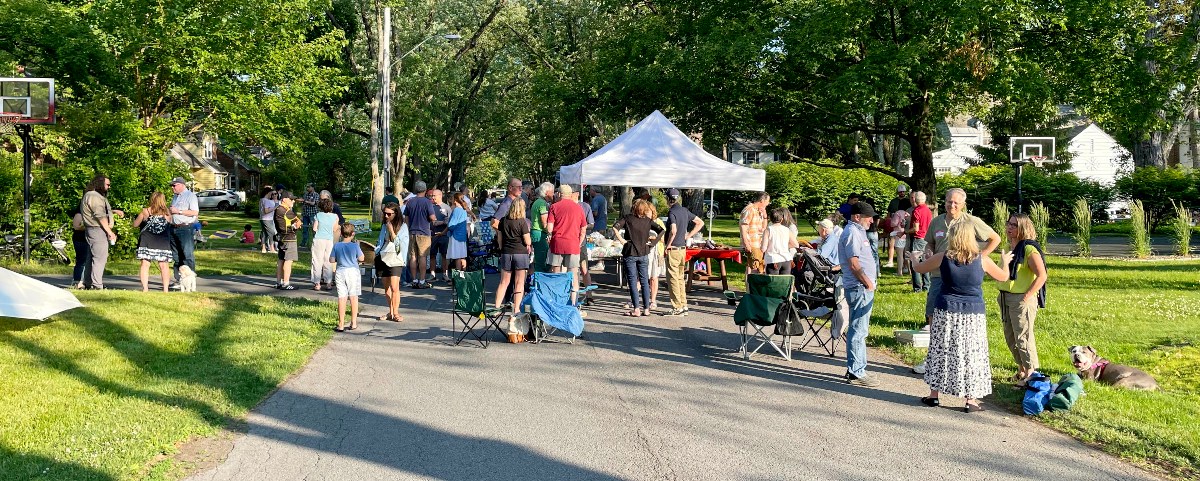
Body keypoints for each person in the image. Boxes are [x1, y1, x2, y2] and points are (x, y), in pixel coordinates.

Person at [909, 223, 1011, 412]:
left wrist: (915, 258)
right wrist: (1005, 261)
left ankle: (934, 395)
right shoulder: (982, 260)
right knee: (971, 353)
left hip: (946, 309)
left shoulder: (944, 257)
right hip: (973, 313)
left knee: (941, 349)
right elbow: (1003, 277)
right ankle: (970, 400)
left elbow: (920, 269)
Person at [912, 188, 1001, 375]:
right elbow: (929, 242)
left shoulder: (970, 221)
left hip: (962, 278)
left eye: (956, 203)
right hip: (938, 274)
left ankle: (960, 365)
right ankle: (933, 360)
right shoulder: (937, 221)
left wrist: (980, 259)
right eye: (949, 202)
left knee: (963, 325)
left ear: (963, 204)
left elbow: (995, 238)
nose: (951, 205)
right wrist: (929, 251)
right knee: (933, 316)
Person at [997, 213, 1049, 387]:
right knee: (1010, 336)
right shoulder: (1008, 246)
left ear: (1023, 228)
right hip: (1004, 296)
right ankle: (1021, 370)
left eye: (1014, 225)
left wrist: (1027, 296)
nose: (1009, 228)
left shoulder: (1028, 249)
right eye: (1009, 224)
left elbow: (1042, 275)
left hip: (1021, 298)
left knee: (1023, 337)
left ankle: (1031, 373)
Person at [840, 202, 880, 387]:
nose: (872, 221)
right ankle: (856, 372)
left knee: (860, 329)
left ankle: (856, 369)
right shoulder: (852, 233)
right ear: (857, 217)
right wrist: (867, 282)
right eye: (869, 217)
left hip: (861, 287)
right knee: (859, 329)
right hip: (859, 287)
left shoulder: (858, 231)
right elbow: (854, 263)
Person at [613, 199, 663, 317]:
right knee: (645, 281)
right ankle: (646, 309)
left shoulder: (627, 218)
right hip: (644, 252)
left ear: (634, 208)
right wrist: (653, 243)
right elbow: (661, 230)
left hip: (630, 252)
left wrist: (622, 241)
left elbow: (615, 227)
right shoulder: (648, 221)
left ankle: (636, 309)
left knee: (633, 281)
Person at [545, 184, 588, 305]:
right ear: (570, 195)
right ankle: (573, 302)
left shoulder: (554, 207)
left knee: (556, 273)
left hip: (557, 244)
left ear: (559, 194)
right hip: (573, 244)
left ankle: (557, 301)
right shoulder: (578, 208)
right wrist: (579, 242)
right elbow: (583, 228)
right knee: (573, 274)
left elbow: (549, 228)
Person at [662, 189, 703, 316]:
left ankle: (677, 307)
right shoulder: (684, 210)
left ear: (668, 199)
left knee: (673, 279)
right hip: (682, 249)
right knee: (680, 278)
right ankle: (683, 305)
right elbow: (700, 222)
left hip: (673, 249)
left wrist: (667, 246)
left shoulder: (672, 212)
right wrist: (688, 236)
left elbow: (673, 230)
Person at [79, 175, 117, 290]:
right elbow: (100, 216)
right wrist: (110, 232)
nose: (109, 187)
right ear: (100, 184)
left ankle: (88, 282)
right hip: (97, 229)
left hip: (94, 229)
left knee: (92, 257)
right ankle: (97, 285)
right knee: (100, 257)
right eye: (107, 184)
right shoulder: (93, 196)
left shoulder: (93, 195)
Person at [131, 192, 174, 292]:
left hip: (146, 241)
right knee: (164, 265)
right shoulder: (167, 213)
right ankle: (165, 289)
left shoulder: (145, 211)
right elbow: (170, 224)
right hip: (162, 241)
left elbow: (135, 224)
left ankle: (145, 289)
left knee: (145, 265)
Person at [494, 198, 531, 309]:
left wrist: (502, 249)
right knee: (519, 283)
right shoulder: (522, 222)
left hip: (506, 252)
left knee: (503, 282)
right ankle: (516, 309)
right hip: (520, 253)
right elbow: (527, 241)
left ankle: (496, 307)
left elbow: (499, 239)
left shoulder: (503, 221)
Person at [375, 202, 409, 322]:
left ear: (396, 213)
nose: (386, 216)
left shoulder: (403, 227)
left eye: (389, 214)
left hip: (396, 259)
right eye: (384, 213)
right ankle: (390, 312)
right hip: (384, 258)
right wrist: (376, 250)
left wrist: (392, 232)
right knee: (387, 288)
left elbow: (400, 247)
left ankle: (396, 312)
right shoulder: (384, 225)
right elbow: (380, 242)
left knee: (395, 287)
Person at [816, 218, 848, 340]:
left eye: (819, 229)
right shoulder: (831, 238)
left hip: (830, 271)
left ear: (824, 230)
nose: (819, 231)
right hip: (832, 270)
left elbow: (821, 255)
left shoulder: (830, 239)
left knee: (805, 274)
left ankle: (805, 301)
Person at [330, 223, 365, 332]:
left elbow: (331, 260)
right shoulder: (355, 246)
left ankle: (340, 324)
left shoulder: (337, 245)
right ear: (353, 234)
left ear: (341, 233)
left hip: (340, 271)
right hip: (353, 271)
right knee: (353, 297)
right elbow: (361, 258)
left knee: (342, 297)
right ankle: (353, 322)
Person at [404, 181, 438, 289]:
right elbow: (432, 217)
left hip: (412, 232)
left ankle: (414, 280)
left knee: (413, 257)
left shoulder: (410, 202)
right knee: (422, 256)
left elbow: (406, 217)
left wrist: (409, 228)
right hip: (424, 232)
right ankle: (422, 281)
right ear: (425, 189)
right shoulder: (427, 202)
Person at [168, 177, 199, 287]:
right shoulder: (175, 197)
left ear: (182, 185)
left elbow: (195, 212)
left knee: (187, 254)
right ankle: (179, 279)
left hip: (185, 228)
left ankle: (190, 279)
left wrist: (179, 211)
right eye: (172, 186)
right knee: (176, 255)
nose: (172, 188)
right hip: (173, 227)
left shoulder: (190, 196)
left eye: (174, 185)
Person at [273, 191, 301, 289]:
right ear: (284, 199)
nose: (293, 201)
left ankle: (278, 282)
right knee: (288, 260)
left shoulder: (277, 209)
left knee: (281, 260)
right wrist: (295, 227)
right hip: (290, 238)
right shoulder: (287, 211)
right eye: (291, 199)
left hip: (281, 237)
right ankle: (286, 283)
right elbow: (298, 222)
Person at [906, 191, 933, 292]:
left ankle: (917, 288)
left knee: (915, 262)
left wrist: (905, 231)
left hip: (918, 238)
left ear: (916, 199)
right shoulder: (928, 210)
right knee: (925, 262)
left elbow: (915, 229)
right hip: (926, 238)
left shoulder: (916, 211)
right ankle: (927, 286)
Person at [310, 198, 339, 291]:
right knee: (328, 261)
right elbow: (334, 229)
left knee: (317, 261)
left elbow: (314, 228)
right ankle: (329, 283)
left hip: (318, 239)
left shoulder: (318, 215)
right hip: (329, 240)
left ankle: (317, 283)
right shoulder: (335, 216)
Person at [761, 208, 799, 275]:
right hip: (786, 260)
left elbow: (763, 248)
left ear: (770, 219)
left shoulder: (768, 230)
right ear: (781, 219)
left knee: (773, 283)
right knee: (784, 282)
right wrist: (784, 245)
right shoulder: (787, 229)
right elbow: (796, 244)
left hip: (773, 260)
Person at [739, 192, 770, 274]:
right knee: (753, 267)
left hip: (759, 243)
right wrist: (746, 243)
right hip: (752, 243)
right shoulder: (749, 209)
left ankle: (753, 285)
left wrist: (765, 216)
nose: (768, 204)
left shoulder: (759, 211)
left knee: (758, 267)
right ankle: (751, 286)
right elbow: (743, 226)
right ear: (762, 200)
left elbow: (764, 228)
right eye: (767, 201)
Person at [446, 192, 474, 272]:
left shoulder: (456, 210)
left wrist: (447, 227)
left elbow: (451, 225)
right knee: (462, 256)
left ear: (454, 200)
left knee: (457, 257)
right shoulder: (463, 209)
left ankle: (458, 277)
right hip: (462, 235)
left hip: (455, 235)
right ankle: (463, 275)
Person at [529, 182, 553, 272]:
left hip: (536, 232)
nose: (553, 194)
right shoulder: (542, 204)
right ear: (547, 192)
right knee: (542, 260)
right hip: (540, 233)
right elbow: (544, 223)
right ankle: (540, 283)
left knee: (539, 258)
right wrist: (550, 233)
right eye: (552, 192)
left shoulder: (537, 202)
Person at [429, 189, 451, 282]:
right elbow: (429, 220)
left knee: (444, 255)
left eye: (434, 195)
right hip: (433, 234)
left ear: (440, 195)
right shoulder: (430, 207)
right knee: (432, 254)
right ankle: (432, 274)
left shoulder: (447, 207)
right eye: (432, 196)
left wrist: (441, 223)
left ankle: (445, 274)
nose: (432, 197)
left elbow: (449, 221)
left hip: (444, 234)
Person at [68, 202, 91, 289]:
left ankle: (85, 281)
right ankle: (77, 282)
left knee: (87, 261)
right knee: (82, 261)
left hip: (88, 238)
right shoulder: (80, 212)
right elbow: (76, 226)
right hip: (81, 239)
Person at [259, 187, 278, 253]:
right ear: (268, 193)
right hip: (267, 219)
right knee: (272, 233)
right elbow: (266, 211)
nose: (272, 195)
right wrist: (274, 208)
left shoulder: (262, 200)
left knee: (264, 233)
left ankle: (263, 248)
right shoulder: (266, 200)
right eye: (271, 193)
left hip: (262, 219)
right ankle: (272, 249)